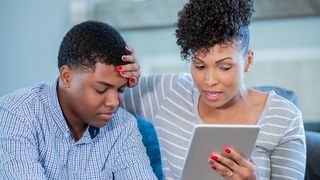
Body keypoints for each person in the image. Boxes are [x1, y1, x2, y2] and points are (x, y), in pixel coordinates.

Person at [119, 0, 306, 179]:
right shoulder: (168, 92)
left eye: (224, 67)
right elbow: (99, 99)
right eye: (199, 66)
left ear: (248, 60)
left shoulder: (284, 118)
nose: (209, 81)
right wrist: (124, 75)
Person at [0, 20, 156, 179]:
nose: (113, 103)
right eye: (100, 89)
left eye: (120, 90)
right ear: (67, 77)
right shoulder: (17, 114)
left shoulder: (123, 126)